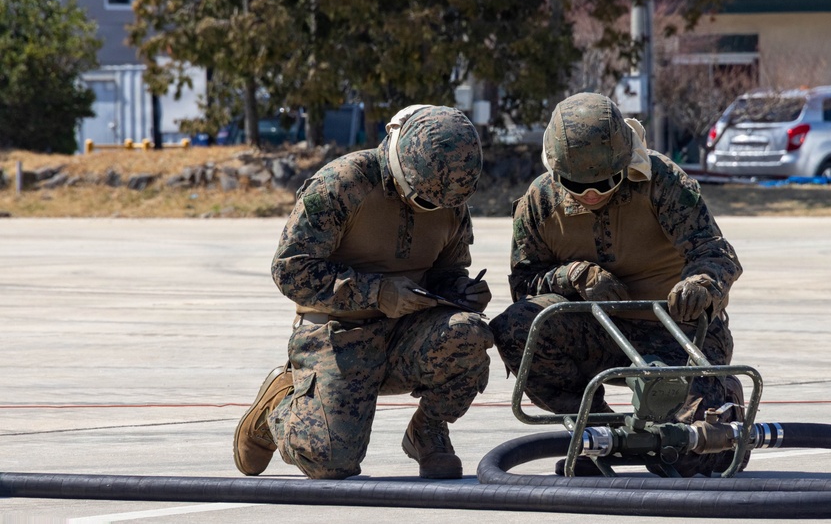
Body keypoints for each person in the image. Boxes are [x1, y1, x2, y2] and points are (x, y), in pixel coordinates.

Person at [489, 92, 745, 477]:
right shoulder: (539, 201)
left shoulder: (661, 181)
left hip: (677, 333)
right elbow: (525, 283)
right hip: (596, 331)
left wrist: (700, 284)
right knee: (516, 328)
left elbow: (717, 253)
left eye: (605, 182)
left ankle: (711, 415)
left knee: (695, 455)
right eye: (576, 184)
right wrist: (574, 275)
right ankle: (597, 433)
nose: (591, 194)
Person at [234, 105, 494, 481]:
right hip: (339, 334)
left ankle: (428, 430)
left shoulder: (447, 197)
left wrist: (460, 291)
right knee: (331, 462)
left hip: (406, 333)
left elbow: (448, 269)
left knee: (470, 333)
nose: (434, 209)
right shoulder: (343, 184)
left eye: (444, 204)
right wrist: (376, 293)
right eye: (424, 202)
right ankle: (279, 406)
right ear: (401, 169)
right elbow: (290, 269)